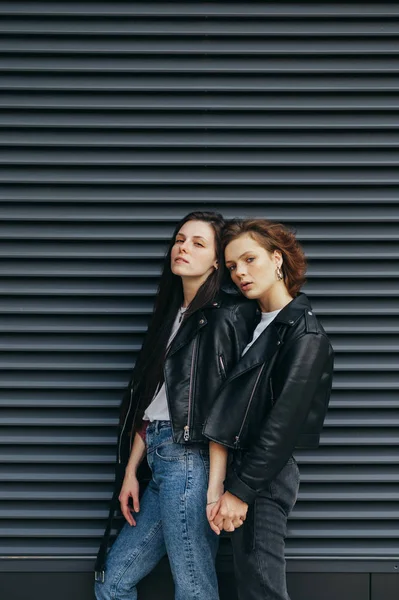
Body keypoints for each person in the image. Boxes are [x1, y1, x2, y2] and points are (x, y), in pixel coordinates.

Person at [94, 211, 257, 600]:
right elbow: (154, 403)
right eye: (180, 239)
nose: (183, 248)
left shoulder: (225, 317)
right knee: (112, 583)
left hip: (191, 462)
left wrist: (216, 486)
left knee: (194, 588)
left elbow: (226, 408)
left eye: (198, 243)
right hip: (159, 459)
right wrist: (132, 470)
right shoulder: (172, 316)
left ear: (218, 261)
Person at [204, 219, 334, 600]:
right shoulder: (255, 323)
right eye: (231, 266)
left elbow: (283, 425)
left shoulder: (304, 334)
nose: (241, 272)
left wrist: (241, 492)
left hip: (263, 476)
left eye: (250, 259)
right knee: (253, 587)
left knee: (263, 590)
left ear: (277, 259)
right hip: (247, 471)